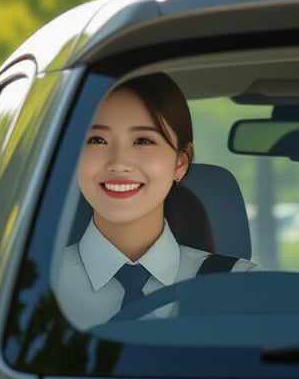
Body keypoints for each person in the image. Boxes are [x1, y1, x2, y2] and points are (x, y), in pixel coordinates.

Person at [55, 73, 256, 329]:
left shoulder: (242, 288)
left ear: (181, 162)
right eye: (97, 140)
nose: (118, 163)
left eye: (143, 141)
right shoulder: (25, 286)